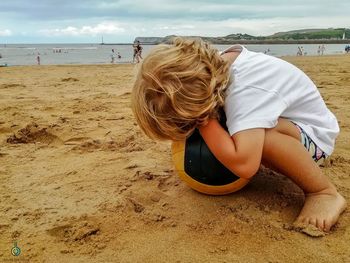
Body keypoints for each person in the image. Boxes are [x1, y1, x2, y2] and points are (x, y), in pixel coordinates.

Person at [131, 37, 347, 232]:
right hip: (292, 125)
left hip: (315, 140)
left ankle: (323, 192)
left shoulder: (246, 90)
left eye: (190, 122)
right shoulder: (212, 68)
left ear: (203, 106)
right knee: (253, 128)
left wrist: (205, 122)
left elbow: (244, 164)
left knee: (266, 136)